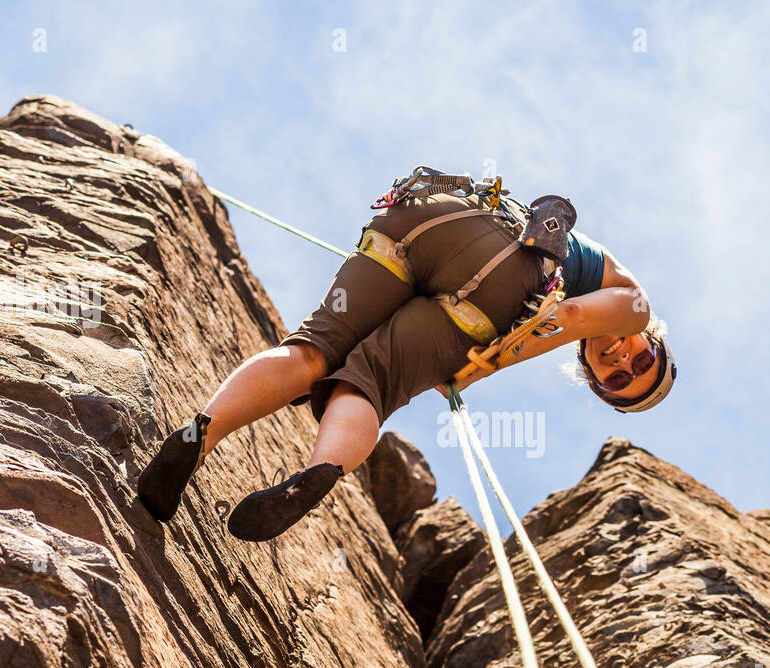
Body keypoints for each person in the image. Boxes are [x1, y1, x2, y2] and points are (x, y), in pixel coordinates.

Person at [136, 173, 676, 541]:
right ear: (651, 337)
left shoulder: (592, 263)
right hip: (498, 276)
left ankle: (199, 434)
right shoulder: (635, 304)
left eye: (617, 379)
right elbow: (570, 320)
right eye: (642, 364)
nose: (623, 362)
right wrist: (477, 367)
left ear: (593, 376)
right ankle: (319, 471)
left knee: (312, 351)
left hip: (429, 216)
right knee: (369, 384)